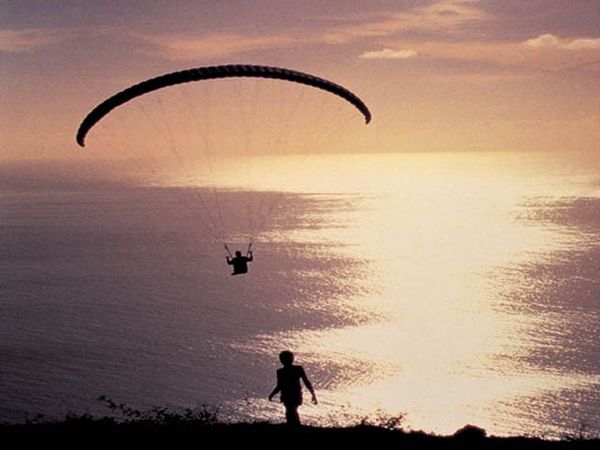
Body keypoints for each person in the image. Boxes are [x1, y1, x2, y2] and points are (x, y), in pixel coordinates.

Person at [268, 350, 317, 426]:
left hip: (293, 395)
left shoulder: (292, 370)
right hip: (288, 395)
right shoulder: (283, 371)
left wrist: (313, 394)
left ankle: (294, 426)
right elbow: (280, 385)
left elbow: (306, 382)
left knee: (291, 412)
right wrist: (272, 394)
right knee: (290, 412)